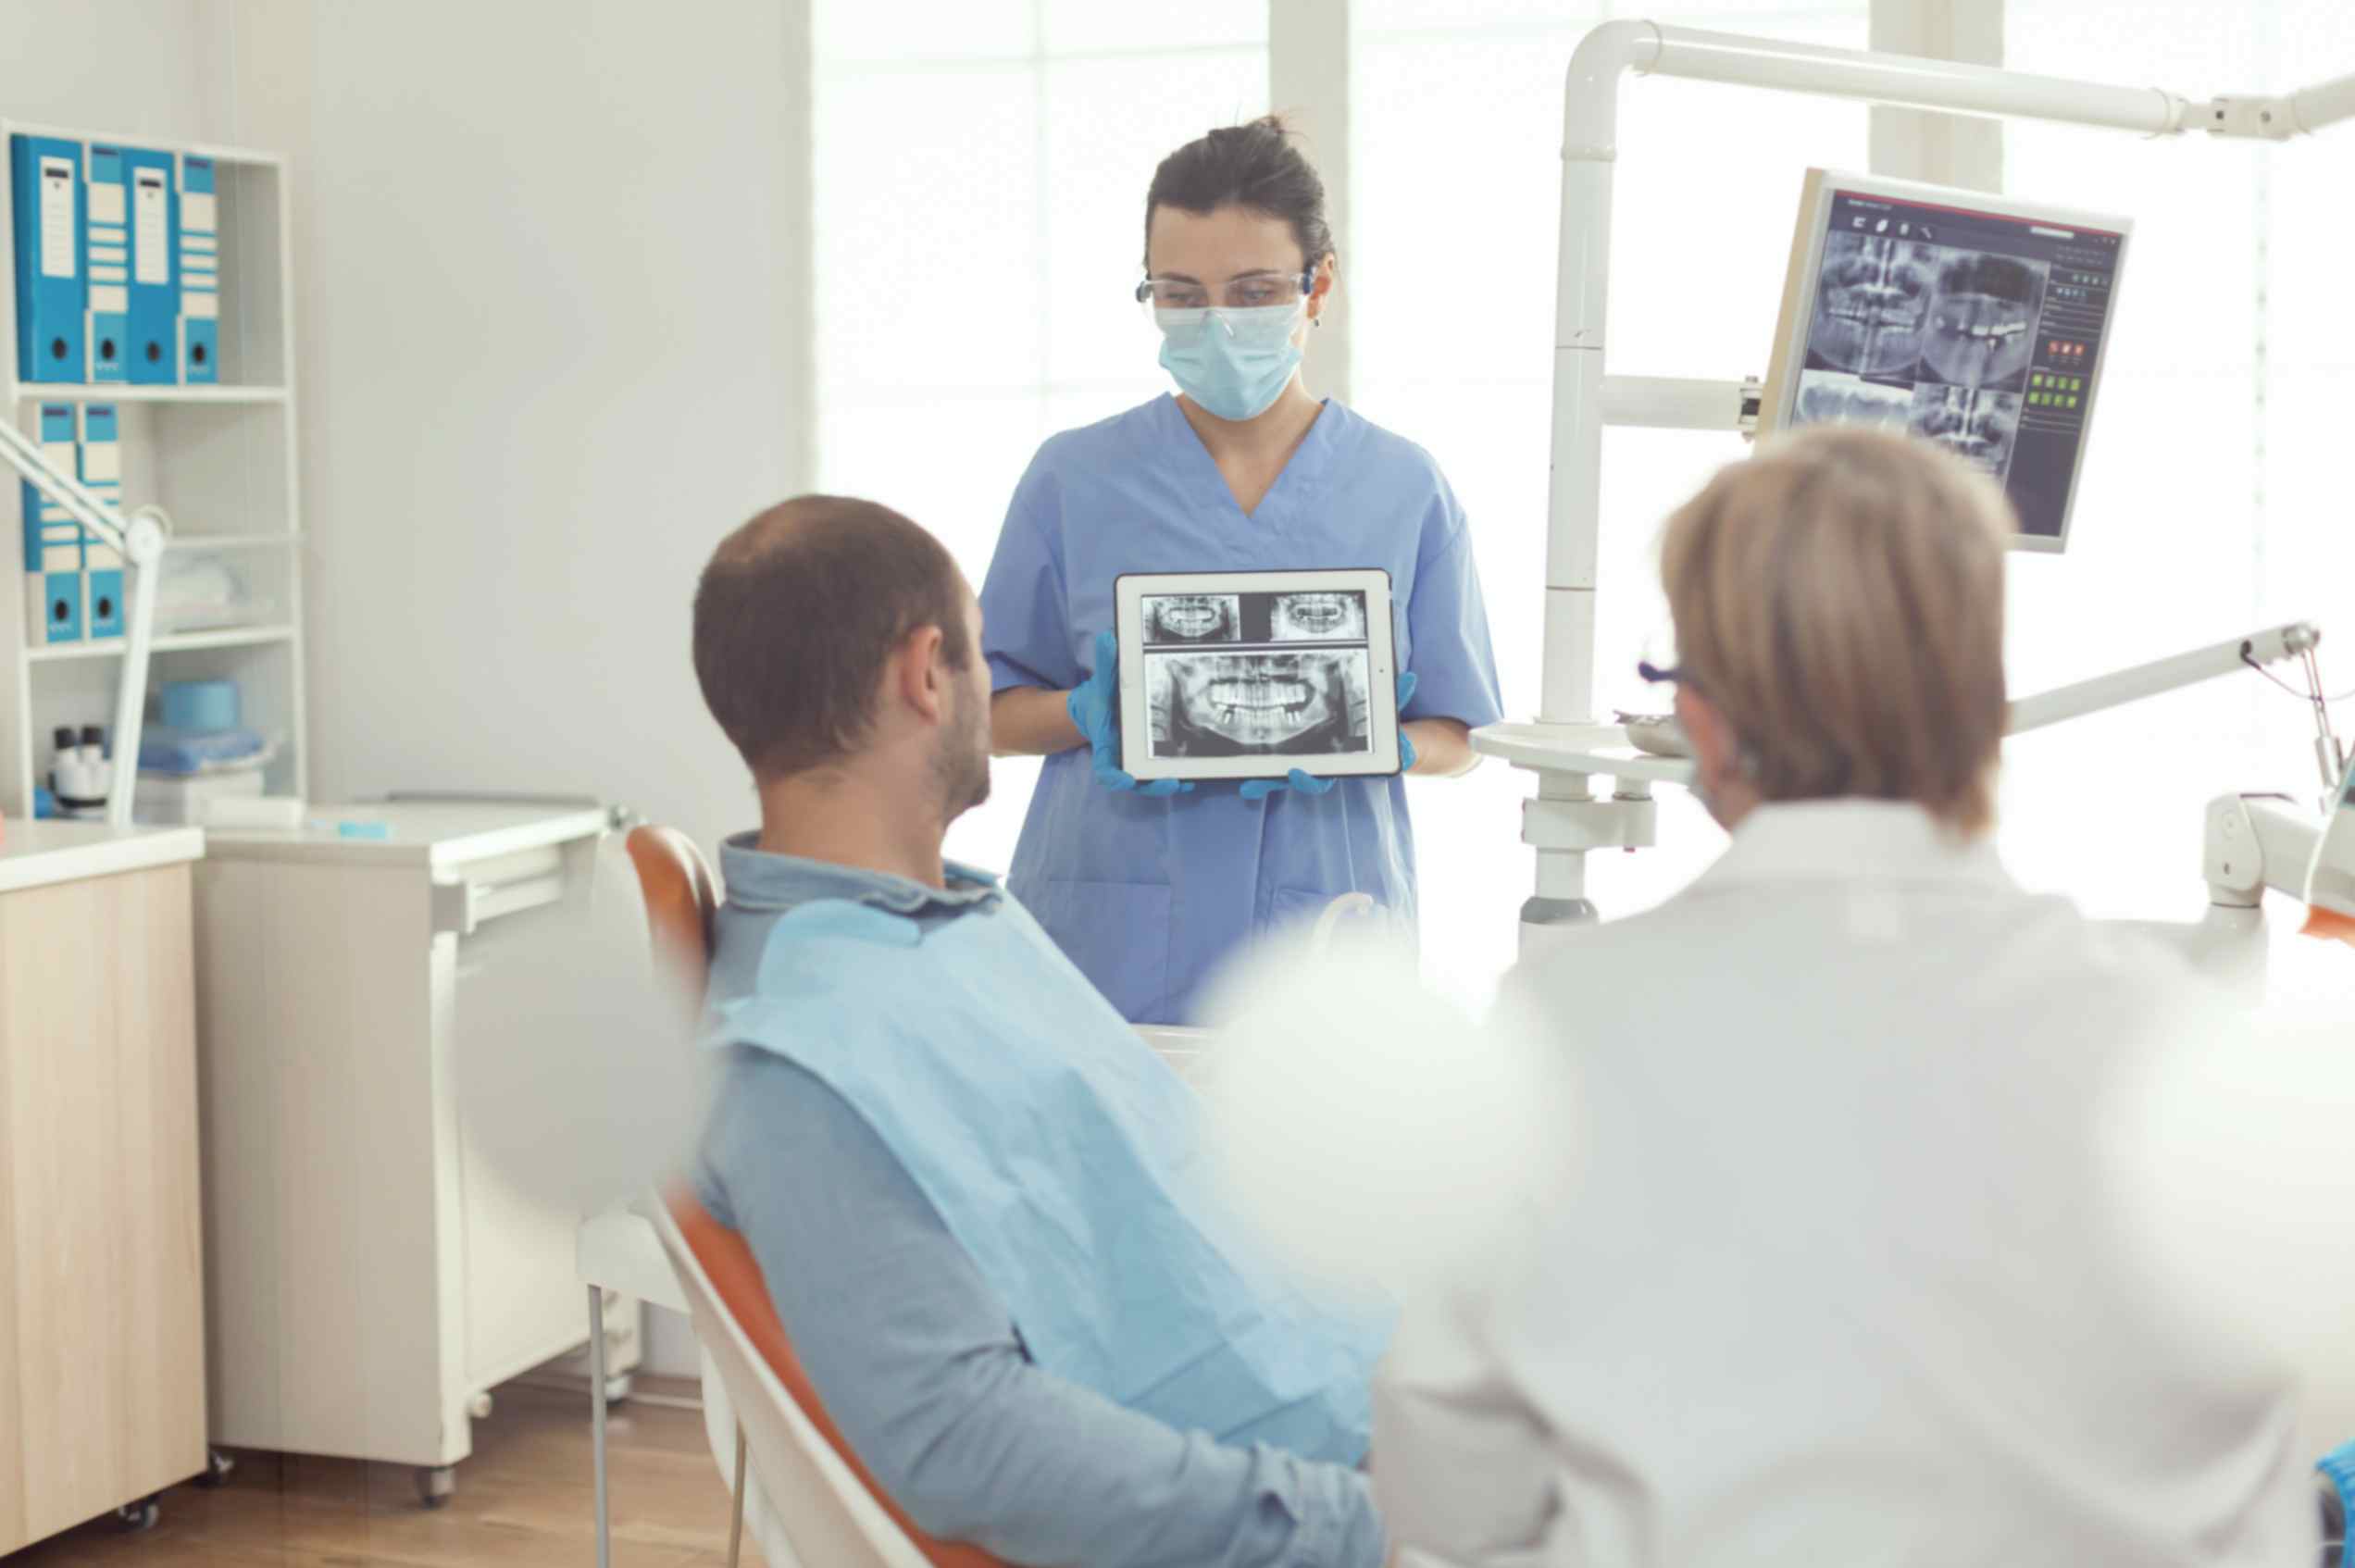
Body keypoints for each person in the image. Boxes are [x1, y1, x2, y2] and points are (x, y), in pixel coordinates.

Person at [1368, 429, 2313, 1567]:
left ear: (1705, 725)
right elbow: (2259, 1501)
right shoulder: (2165, 1036)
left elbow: (1448, 1490)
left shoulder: (1563, 1024)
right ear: (1982, 708)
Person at [688, 496, 1390, 1568]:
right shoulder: (797, 1056)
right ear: (927, 671)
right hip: (1343, 1483)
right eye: (977, 653)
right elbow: (965, 1439)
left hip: (1377, 1372)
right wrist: (1358, 1528)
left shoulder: (950, 914)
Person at [982, 116, 1505, 1026]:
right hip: (1111, 945)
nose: (1217, 323)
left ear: (1319, 287)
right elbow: (980, 714)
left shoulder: (1404, 485)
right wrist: (1082, 712)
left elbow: (1460, 733)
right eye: (1181, 294)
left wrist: (1381, 736)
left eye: (1255, 290)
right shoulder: (1073, 478)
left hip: (1330, 941)